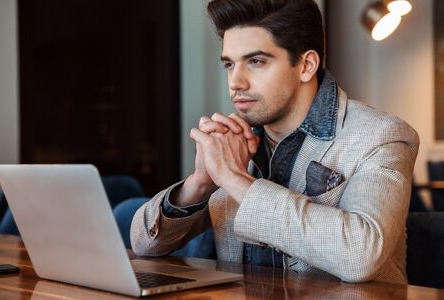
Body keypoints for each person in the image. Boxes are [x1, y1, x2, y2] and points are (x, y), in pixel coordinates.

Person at [130, 0, 419, 284]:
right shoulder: (235, 141)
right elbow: (144, 244)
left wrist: (235, 180)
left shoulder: (382, 135)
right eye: (230, 64)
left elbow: (360, 256)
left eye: (256, 62)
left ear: (306, 65)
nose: (236, 82)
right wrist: (200, 183)